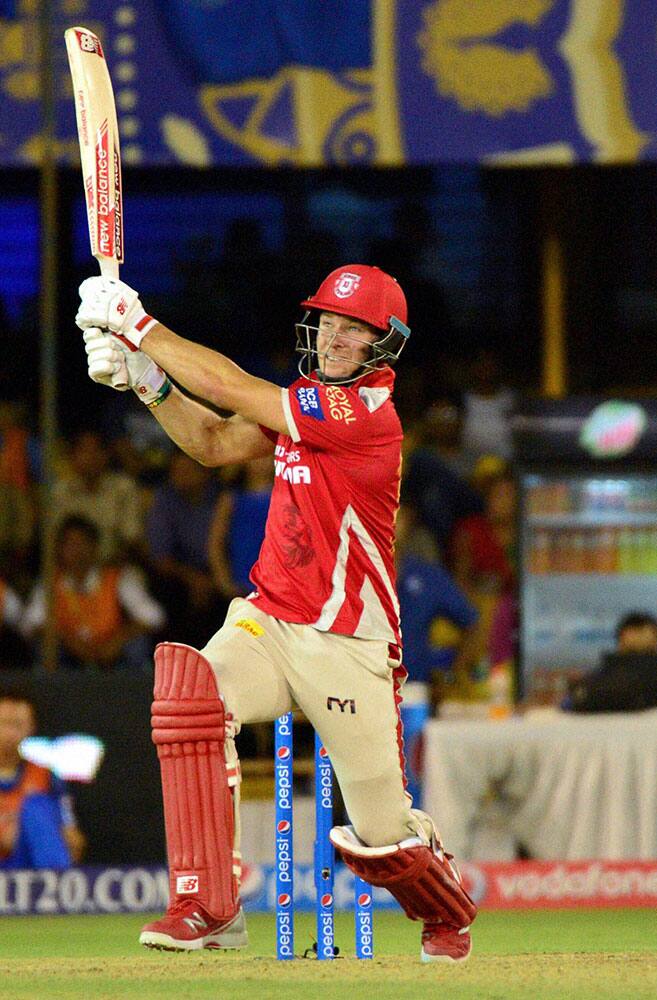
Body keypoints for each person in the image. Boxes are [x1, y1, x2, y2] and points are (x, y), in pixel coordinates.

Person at [75, 263, 477, 962]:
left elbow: (231, 388)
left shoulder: (365, 416)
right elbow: (212, 441)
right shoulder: (309, 403)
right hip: (267, 619)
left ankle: (446, 908)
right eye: (327, 320)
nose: (333, 336)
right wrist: (145, 379)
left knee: (382, 832)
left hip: (348, 642)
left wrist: (138, 326)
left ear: (383, 345)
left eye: (353, 328)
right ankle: (208, 905)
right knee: (191, 696)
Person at [22, 515, 165, 670]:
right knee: (44, 647)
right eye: (70, 544)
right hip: (69, 659)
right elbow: (31, 623)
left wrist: (116, 641)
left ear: (94, 546)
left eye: (82, 543)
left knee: (137, 646)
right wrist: (68, 639)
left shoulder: (117, 578)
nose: (77, 551)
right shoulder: (50, 583)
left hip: (112, 657)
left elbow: (154, 616)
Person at [146, 450, 226, 648]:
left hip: (219, 574)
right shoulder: (165, 499)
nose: (180, 476)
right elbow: (160, 556)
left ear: (205, 472)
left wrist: (217, 578)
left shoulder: (222, 496)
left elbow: (230, 546)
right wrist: (193, 579)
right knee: (166, 592)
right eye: (175, 471)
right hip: (179, 577)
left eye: (186, 470)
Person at [0, 688, 85, 869]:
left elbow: (74, 840)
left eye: (17, 725)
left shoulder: (45, 776)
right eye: (4, 723)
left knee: (36, 805)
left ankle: (53, 886)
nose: (9, 733)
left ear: (30, 728)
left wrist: (35, 832)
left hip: (32, 867)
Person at [562, 612, 657, 713]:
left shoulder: (649, 669)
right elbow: (569, 701)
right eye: (640, 631)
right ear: (626, 634)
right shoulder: (609, 669)